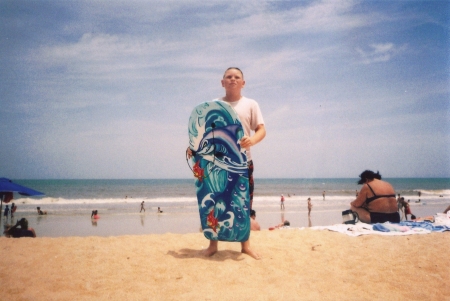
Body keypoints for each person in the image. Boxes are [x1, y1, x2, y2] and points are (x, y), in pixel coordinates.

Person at [187, 67, 266, 259]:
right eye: (228, 77)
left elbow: (261, 130)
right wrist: (194, 150)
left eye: (237, 77)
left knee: (243, 203)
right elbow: (203, 133)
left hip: (243, 162)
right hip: (215, 164)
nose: (232, 79)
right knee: (213, 200)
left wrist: (252, 141)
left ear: (243, 82)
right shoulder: (213, 105)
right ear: (222, 82)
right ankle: (213, 245)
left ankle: (245, 246)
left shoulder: (250, 104)